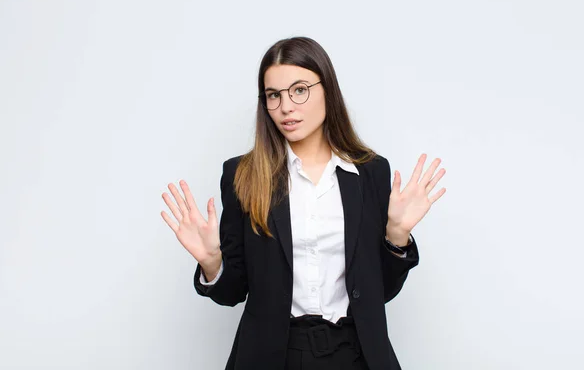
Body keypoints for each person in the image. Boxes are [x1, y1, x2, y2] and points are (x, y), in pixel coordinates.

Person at [160, 36, 447, 370]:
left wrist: (396, 235)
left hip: (356, 353)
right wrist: (213, 263)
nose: (285, 107)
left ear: (327, 90)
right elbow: (233, 292)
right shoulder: (243, 175)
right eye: (273, 95)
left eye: (299, 90)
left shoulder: (370, 172)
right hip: (274, 356)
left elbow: (380, 292)